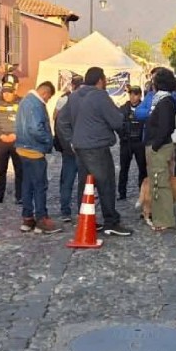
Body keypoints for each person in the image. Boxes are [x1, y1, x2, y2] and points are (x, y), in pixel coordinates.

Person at [64, 66, 133, 237]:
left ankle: (86, 220)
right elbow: (116, 121)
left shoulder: (73, 97)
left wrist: (71, 140)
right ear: (100, 80)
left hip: (80, 146)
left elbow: (61, 121)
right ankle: (111, 222)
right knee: (106, 183)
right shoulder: (99, 96)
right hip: (97, 146)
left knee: (85, 184)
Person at [15, 81, 60, 234]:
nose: (47, 101)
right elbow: (35, 128)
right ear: (45, 94)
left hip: (22, 149)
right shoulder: (35, 104)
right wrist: (48, 140)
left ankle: (27, 218)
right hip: (34, 150)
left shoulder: (24, 101)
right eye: (48, 98)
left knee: (27, 185)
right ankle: (41, 218)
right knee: (40, 185)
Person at [136, 67, 176, 230]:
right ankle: (160, 217)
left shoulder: (165, 101)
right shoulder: (160, 100)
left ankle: (164, 220)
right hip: (156, 145)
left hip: (159, 147)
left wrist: (155, 145)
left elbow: (166, 126)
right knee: (157, 183)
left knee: (161, 184)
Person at [0, 79, 22, 205]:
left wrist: (16, 134)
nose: (6, 94)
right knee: (1, 169)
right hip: (2, 141)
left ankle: (20, 196)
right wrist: (0, 135)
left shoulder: (22, 104)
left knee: (19, 169)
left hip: (17, 141)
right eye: (4, 92)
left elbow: (26, 122)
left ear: (14, 92)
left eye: (9, 92)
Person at [54, 74, 81, 222]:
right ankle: (73, 210)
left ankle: (66, 210)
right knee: (76, 180)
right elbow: (58, 120)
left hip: (70, 146)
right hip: (75, 147)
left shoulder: (65, 98)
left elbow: (56, 119)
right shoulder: (69, 100)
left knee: (67, 179)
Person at [117, 86, 147, 201]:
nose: (132, 97)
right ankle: (122, 192)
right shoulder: (123, 108)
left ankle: (143, 192)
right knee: (124, 168)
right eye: (131, 94)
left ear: (139, 95)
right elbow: (118, 124)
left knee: (142, 169)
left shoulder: (144, 108)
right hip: (126, 142)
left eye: (135, 94)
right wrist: (122, 135)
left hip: (140, 142)